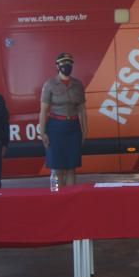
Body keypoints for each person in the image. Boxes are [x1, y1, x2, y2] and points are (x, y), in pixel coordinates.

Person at [38, 53, 87, 187]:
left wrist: (85, 130)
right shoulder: (49, 84)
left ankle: (70, 199)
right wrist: (42, 133)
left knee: (71, 168)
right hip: (55, 128)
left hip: (73, 127)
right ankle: (56, 197)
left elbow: (82, 109)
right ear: (57, 66)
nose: (66, 66)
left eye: (69, 64)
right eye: (63, 64)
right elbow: (43, 111)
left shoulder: (78, 85)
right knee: (56, 168)